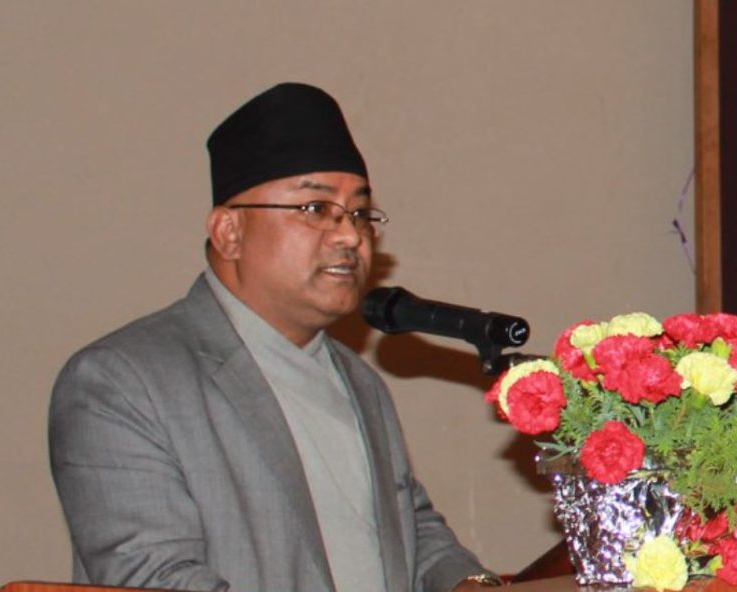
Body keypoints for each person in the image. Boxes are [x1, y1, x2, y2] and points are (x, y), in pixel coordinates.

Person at [49, 83, 502, 591]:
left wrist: (470, 584)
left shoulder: (360, 381)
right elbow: (153, 576)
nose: (350, 235)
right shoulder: (122, 382)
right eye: (316, 209)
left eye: (359, 213)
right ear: (229, 232)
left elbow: (409, 532)